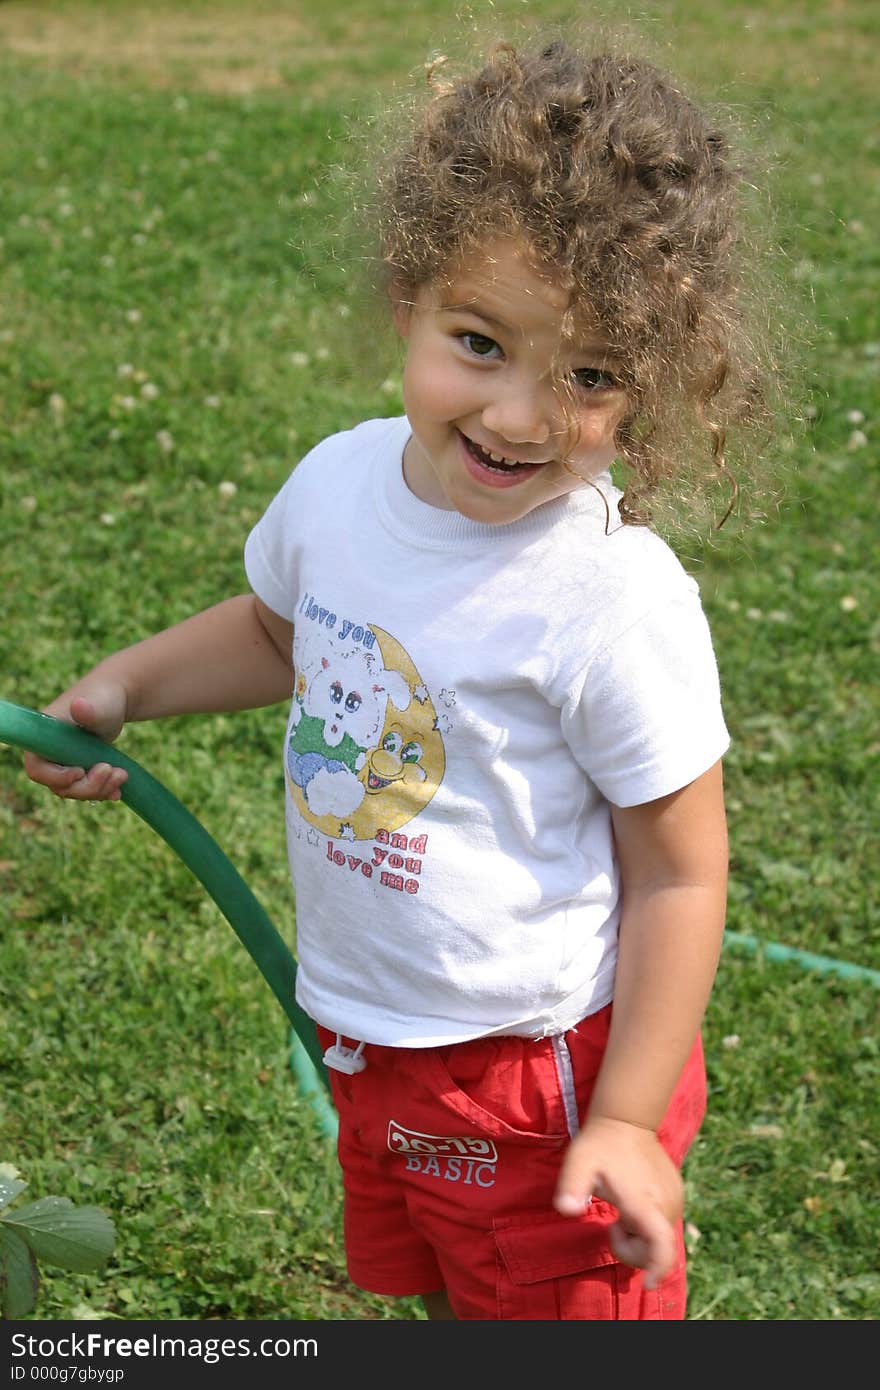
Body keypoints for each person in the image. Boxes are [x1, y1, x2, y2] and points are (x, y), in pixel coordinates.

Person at [23, 36, 773, 1319]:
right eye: (480, 343)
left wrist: (631, 1118)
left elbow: (680, 871)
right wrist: (126, 689)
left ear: (650, 379)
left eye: (590, 377)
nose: (524, 417)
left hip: (539, 1076)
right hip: (376, 1034)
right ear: (406, 295)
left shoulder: (613, 598)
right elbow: (277, 633)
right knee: (443, 1292)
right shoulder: (338, 484)